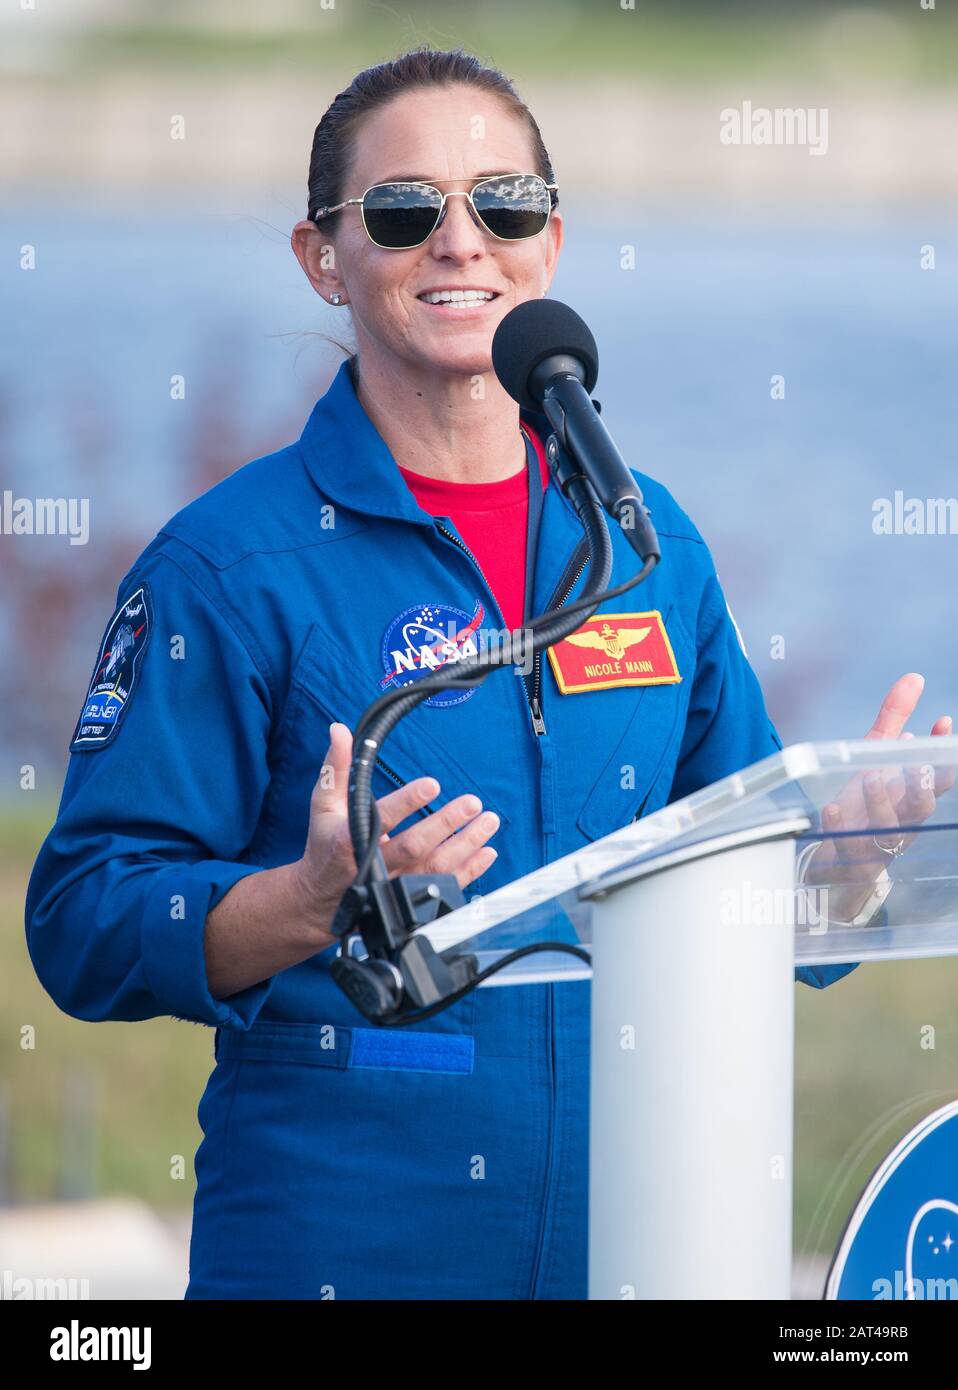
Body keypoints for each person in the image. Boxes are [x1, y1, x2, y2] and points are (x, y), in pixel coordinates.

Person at [25, 47, 952, 1300]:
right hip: (341, 1248)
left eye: (501, 204)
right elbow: (84, 919)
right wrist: (299, 901)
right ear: (322, 258)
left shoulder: (645, 544)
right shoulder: (228, 567)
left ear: (549, 245)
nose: (462, 241)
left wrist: (840, 865)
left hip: (641, 1233)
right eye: (406, 211)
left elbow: (740, 871)